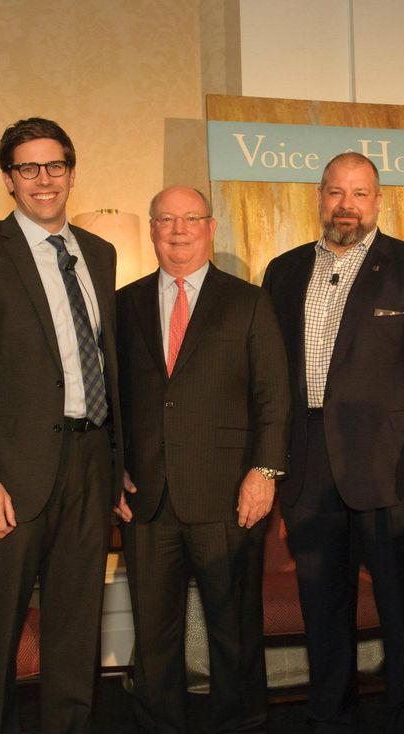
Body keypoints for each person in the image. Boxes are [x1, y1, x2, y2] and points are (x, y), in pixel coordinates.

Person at [262, 151, 404, 733]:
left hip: (392, 463)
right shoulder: (283, 271)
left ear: (378, 201)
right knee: (322, 609)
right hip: (307, 466)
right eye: (335, 192)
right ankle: (331, 717)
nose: (345, 205)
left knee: (403, 607)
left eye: (358, 193)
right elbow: (269, 375)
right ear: (320, 197)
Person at [0, 117, 124, 734]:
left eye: (55, 166)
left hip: (91, 463)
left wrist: (119, 463)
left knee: (77, 630)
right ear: (8, 180)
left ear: (71, 172)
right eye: (28, 168)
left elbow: (107, 361)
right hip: (11, 477)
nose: (43, 180)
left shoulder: (99, 253)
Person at [114, 185, 290, 733]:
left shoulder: (248, 301)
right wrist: (111, 470)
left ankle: (242, 723)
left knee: (233, 631)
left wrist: (263, 474)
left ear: (211, 228)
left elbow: (273, 395)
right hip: (146, 499)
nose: (178, 229)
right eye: (165, 219)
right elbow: (111, 398)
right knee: (154, 637)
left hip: (226, 496)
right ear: (151, 229)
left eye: (190, 218)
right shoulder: (124, 303)